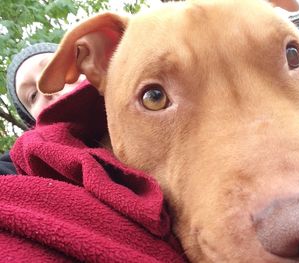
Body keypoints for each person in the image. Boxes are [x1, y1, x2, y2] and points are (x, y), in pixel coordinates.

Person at [0, 43, 186, 261]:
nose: (46, 88)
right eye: (32, 96)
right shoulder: (21, 164)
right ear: (32, 120)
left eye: (55, 68)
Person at [0, 43, 83, 175]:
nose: (44, 86)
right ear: (34, 123)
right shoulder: (29, 165)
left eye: (55, 69)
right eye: (33, 95)